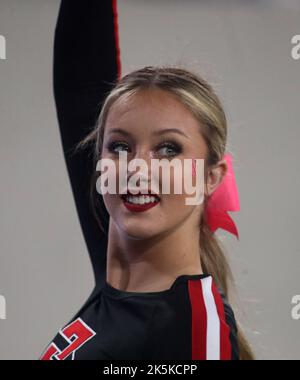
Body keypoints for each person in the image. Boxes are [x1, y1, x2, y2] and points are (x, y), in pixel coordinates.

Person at [40, 0, 254, 360]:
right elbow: (79, 74)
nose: (137, 169)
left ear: (210, 177)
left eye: (168, 149)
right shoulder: (122, 266)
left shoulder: (193, 330)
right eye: (120, 146)